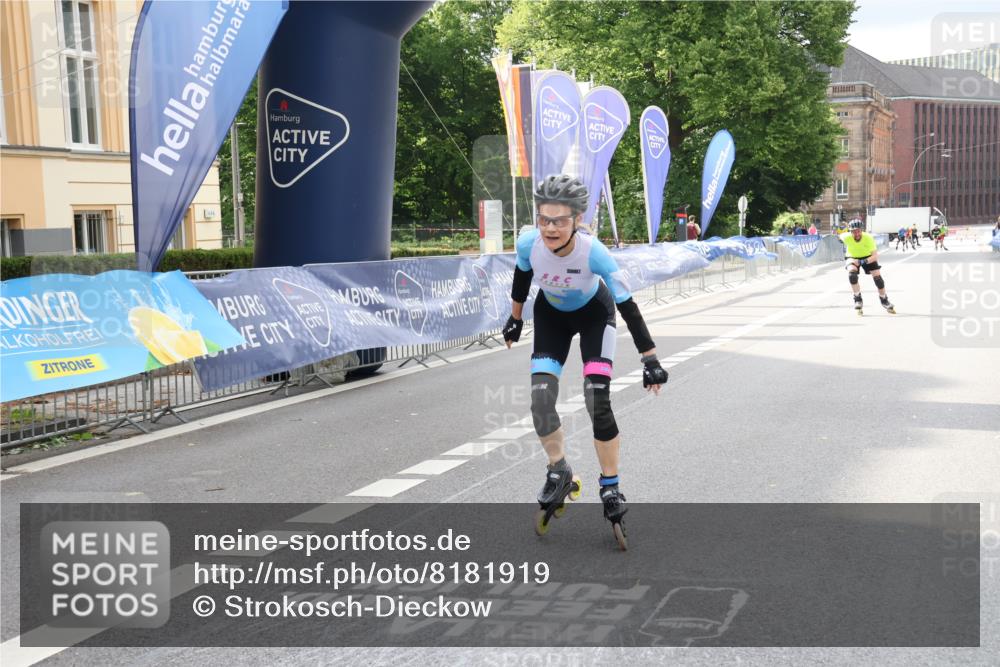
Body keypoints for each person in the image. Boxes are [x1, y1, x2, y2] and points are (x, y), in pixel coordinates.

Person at [502, 174, 668, 549]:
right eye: (544, 219)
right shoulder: (529, 242)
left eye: (559, 220)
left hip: (595, 316)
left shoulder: (594, 253)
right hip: (551, 318)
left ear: (577, 219)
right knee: (540, 400)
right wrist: (515, 318)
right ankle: (559, 470)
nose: (550, 228)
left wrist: (650, 358)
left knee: (597, 398)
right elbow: (522, 277)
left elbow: (627, 305)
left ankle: (610, 486)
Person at [840, 218, 895, 314]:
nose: (857, 234)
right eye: (854, 232)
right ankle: (857, 298)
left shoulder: (868, 238)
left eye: (858, 231)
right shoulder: (846, 237)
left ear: (862, 230)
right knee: (852, 275)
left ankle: (884, 299)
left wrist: (862, 261)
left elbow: (875, 256)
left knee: (878, 279)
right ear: (850, 232)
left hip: (867, 257)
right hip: (852, 257)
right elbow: (840, 236)